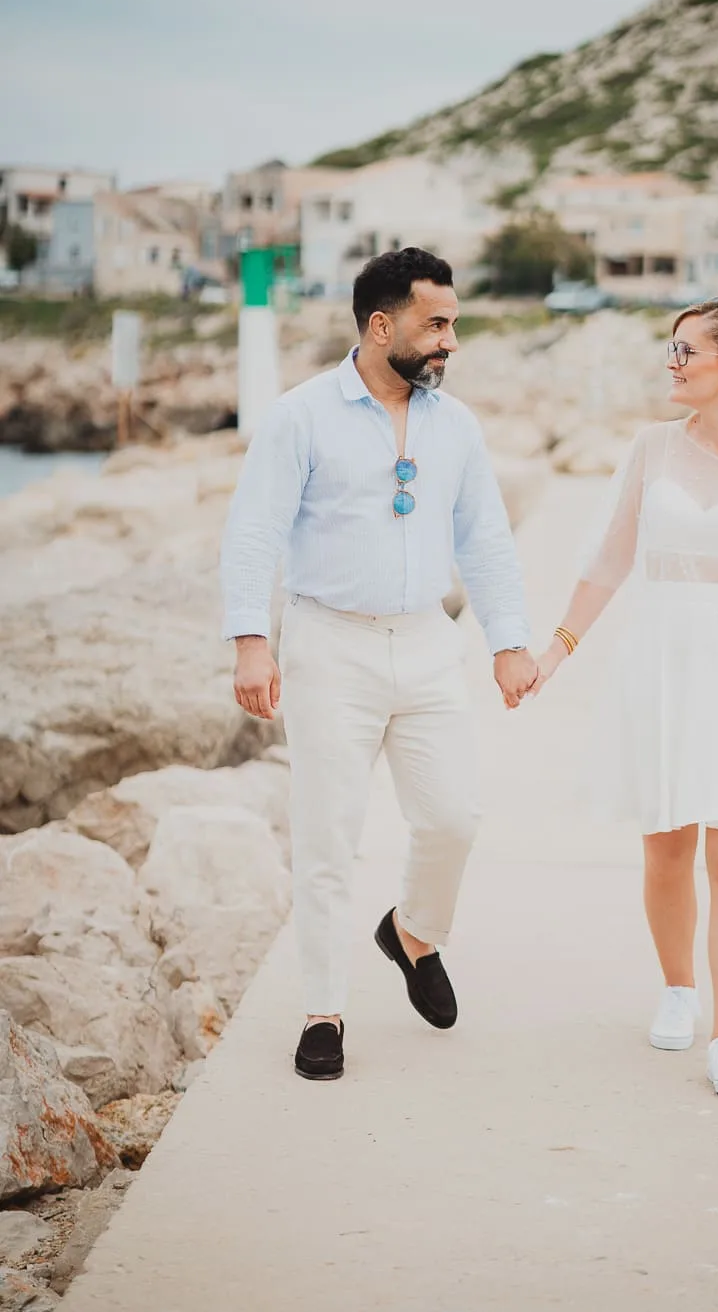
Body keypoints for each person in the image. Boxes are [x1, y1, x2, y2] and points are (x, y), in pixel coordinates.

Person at [220, 247, 538, 1081]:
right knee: (328, 840)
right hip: (330, 644)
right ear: (379, 325)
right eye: (438, 324)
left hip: (429, 641)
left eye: (454, 324)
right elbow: (255, 529)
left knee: (453, 820)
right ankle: (323, 1011)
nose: (451, 343)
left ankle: (412, 933)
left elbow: (487, 538)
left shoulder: (455, 424)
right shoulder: (301, 416)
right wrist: (253, 638)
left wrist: (508, 640)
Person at [529, 296, 718, 1097]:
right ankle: (677, 987)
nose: (671, 363)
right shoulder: (651, 449)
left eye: (685, 351)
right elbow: (608, 561)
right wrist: (555, 651)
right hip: (660, 665)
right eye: (670, 349)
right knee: (666, 842)